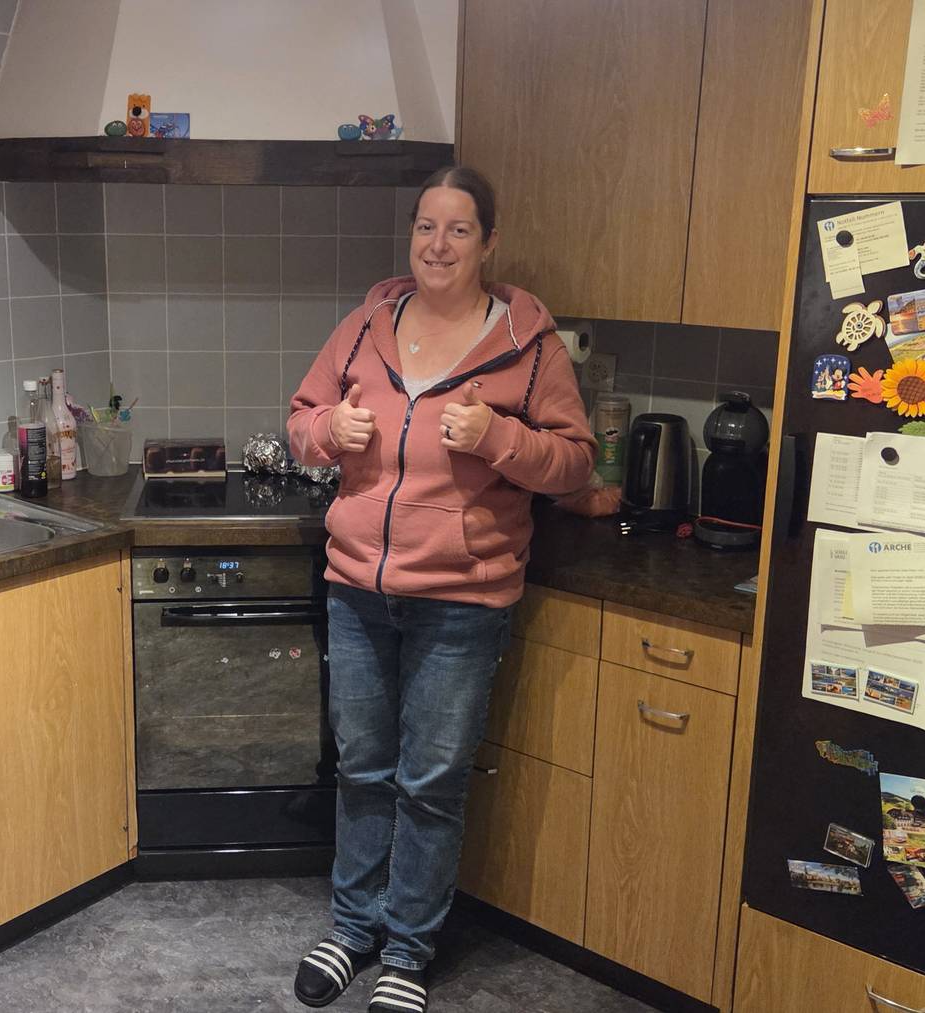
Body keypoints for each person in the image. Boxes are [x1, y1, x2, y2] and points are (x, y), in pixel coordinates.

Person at [285, 166, 595, 1013]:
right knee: (361, 770)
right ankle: (352, 929)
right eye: (426, 226)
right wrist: (327, 428)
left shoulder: (529, 346)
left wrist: (499, 437)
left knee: (429, 782)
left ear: (488, 242)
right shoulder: (365, 325)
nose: (438, 244)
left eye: (459, 229)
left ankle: (407, 951)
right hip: (357, 588)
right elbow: (301, 420)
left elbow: (575, 463)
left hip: (463, 600)